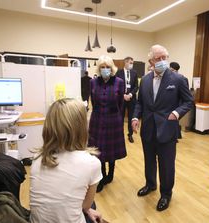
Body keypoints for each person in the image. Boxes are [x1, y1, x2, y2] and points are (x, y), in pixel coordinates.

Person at [132, 45, 194, 211]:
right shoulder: (144, 80)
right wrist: (135, 117)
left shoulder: (178, 79)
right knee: (149, 160)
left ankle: (166, 194)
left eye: (163, 58)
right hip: (148, 129)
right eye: (157, 59)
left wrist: (176, 112)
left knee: (167, 165)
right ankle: (150, 184)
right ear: (151, 61)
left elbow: (188, 101)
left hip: (167, 129)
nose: (161, 61)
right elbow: (140, 102)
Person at [30, 98, 103, 223]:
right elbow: (85, 206)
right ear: (81, 128)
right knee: (91, 206)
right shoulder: (91, 163)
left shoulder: (37, 158)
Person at [88, 55, 126, 193]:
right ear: (99, 68)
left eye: (107, 67)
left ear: (112, 68)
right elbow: (93, 101)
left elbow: (121, 104)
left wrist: (119, 119)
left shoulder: (119, 82)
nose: (105, 69)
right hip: (97, 120)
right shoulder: (93, 82)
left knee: (111, 148)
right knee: (99, 150)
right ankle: (102, 176)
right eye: (102, 67)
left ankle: (111, 173)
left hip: (113, 120)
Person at [115, 56, 139, 143]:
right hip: (121, 98)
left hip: (131, 99)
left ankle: (130, 134)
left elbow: (136, 86)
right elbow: (116, 86)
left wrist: (130, 94)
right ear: (125, 62)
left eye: (132, 63)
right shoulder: (119, 72)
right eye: (130, 63)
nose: (131, 64)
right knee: (120, 117)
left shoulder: (134, 73)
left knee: (131, 117)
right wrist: (123, 95)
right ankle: (119, 135)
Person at [169, 61, 189, 139]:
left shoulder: (183, 78)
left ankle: (175, 135)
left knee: (175, 118)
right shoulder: (169, 77)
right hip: (170, 101)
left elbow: (185, 93)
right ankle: (176, 135)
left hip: (179, 102)